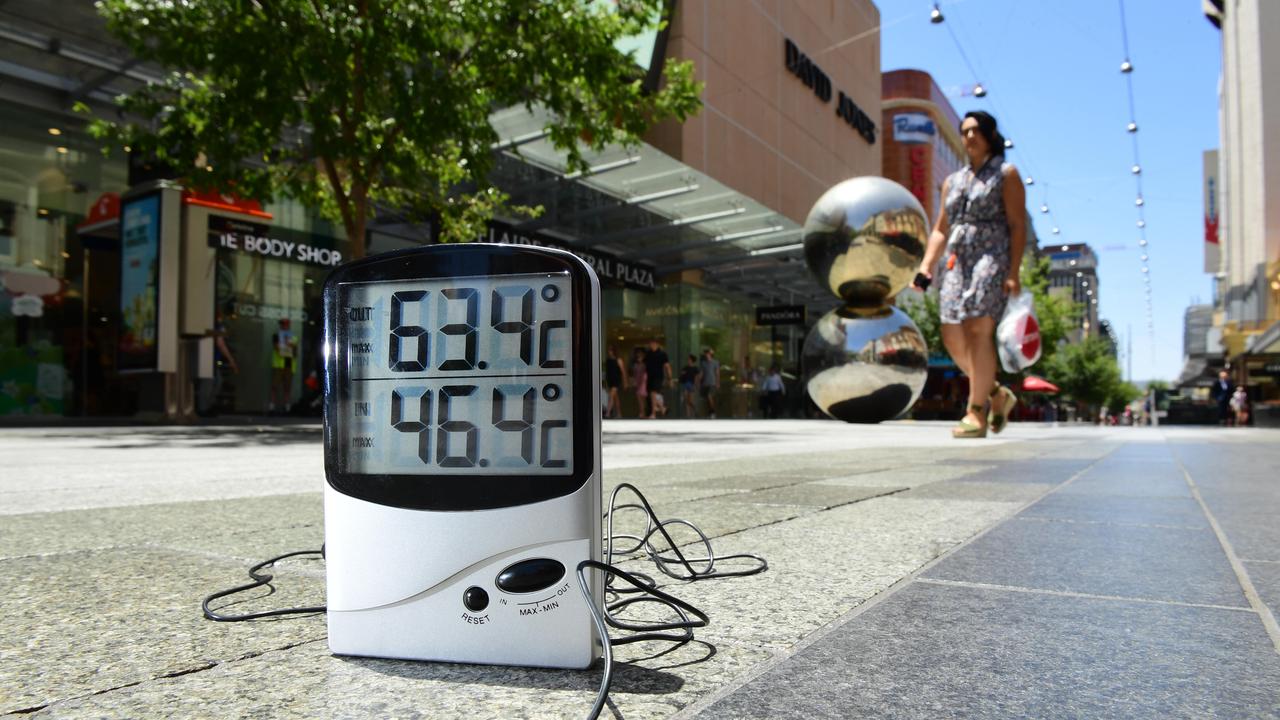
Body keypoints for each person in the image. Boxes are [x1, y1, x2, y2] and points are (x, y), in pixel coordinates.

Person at [913, 110, 1026, 439]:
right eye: (964, 131)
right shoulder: (952, 181)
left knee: (978, 327)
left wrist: (1014, 271)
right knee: (951, 333)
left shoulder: (1006, 174)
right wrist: (925, 267)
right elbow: (939, 230)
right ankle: (996, 394)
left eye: (976, 130)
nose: (969, 136)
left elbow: (1018, 225)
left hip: (991, 255)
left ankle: (976, 412)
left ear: (990, 135)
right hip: (956, 259)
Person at [198, 312, 238, 417]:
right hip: (208, 359)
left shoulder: (217, 326)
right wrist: (231, 361)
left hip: (213, 359)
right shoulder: (216, 326)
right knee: (209, 382)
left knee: (216, 382)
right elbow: (221, 344)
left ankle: (207, 406)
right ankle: (203, 408)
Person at [269, 317, 299, 415]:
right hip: (278, 365)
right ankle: (272, 407)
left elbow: (294, 351)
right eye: (283, 324)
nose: (284, 326)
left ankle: (287, 408)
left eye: (286, 324)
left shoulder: (293, 337)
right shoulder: (276, 335)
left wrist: (286, 346)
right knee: (274, 386)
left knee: (287, 387)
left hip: (289, 365)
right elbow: (277, 348)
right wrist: (287, 346)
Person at [643, 338, 672, 418]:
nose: (651, 345)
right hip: (650, 377)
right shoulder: (648, 354)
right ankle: (663, 408)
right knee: (651, 395)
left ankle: (653, 414)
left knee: (653, 393)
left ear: (657, 344)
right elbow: (644, 366)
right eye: (650, 343)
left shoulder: (662, 354)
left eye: (653, 343)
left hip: (658, 377)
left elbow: (667, 366)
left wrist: (670, 379)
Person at [603, 346, 627, 419]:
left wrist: (625, 382)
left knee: (611, 396)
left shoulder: (618, 360)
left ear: (614, 351)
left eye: (610, 350)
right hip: (610, 380)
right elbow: (607, 372)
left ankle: (608, 412)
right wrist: (606, 383)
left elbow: (623, 372)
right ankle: (619, 413)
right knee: (615, 397)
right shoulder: (608, 360)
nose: (609, 352)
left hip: (616, 380)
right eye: (609, 350)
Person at [698, 347, 721, 418]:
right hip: (705, 383)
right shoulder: (703, 363)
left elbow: (717, 373)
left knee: (709, 396)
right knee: (707, 399)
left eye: (707, 353)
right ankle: (710, 412)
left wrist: (718, 383)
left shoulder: (715, 362)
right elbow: (701, 373)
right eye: (705, 354)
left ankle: (713, 412)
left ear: (710, 354)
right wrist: (698, 381)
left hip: (712, 383)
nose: (706, 355)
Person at [629, 348, 648, 419]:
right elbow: (634, 375)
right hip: (638, 382)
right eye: (638, 356)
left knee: (642, 399)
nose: (639, 357)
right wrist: (633, 382)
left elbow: (645, 375)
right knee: (640, 399)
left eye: (641, 356)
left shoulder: (645, 365)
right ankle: (642, 413)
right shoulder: (635, 365)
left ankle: (642, 413)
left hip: (643, 382)